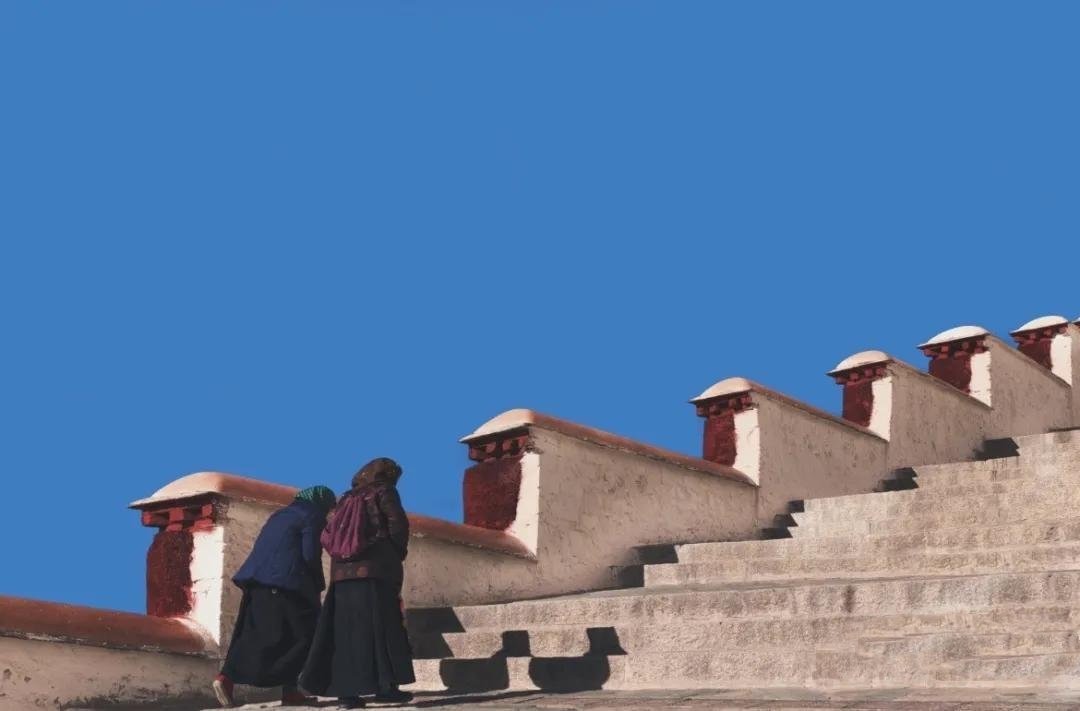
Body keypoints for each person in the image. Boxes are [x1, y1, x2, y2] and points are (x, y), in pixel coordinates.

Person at [300, 457, 415, 709]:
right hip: (374, 572)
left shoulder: (346, 498)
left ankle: (347, 695)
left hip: (342, 576)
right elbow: (397, 524)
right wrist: (395, 553)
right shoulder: (384, 491)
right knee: (382, 630)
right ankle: (386, 687)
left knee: (345, 635)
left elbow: (330, 534)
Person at [212, 485, 338, 708]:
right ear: (322, 502)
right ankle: (289, 689)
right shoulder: (313, 515)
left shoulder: (280, 515)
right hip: (287, 585)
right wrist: (319, 583)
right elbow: (310, 554)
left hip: (257, 583)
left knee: (254, 636)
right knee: (305, 635)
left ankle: (228, 679)